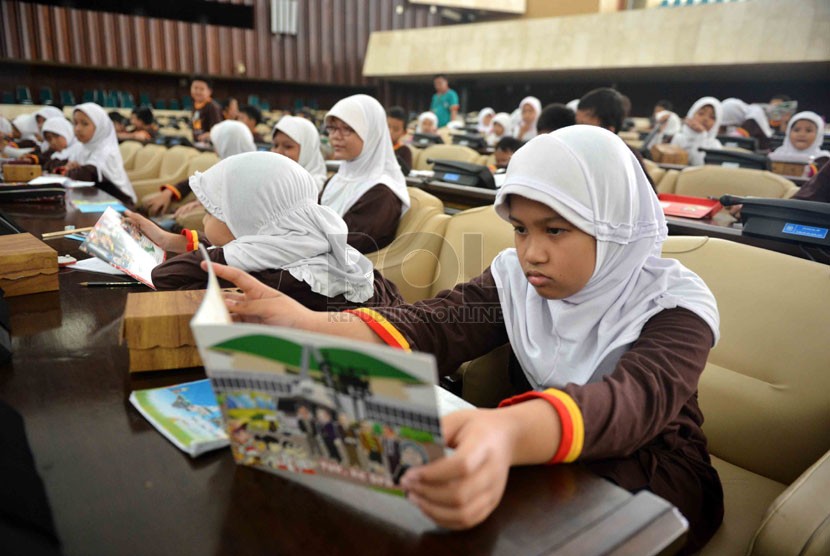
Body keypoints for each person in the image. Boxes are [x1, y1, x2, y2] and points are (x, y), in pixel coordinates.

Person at [206, 126, 723, 553]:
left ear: (611, 226)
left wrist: (505, 431)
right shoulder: (517, 280)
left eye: (556, 230)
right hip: (534, 450)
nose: (532, 253)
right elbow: (433, 324)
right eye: (520, 229)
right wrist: (306, 321)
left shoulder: (675, 306)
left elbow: (631, 402)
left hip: (651, 478)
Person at [126, 151, 403, 310]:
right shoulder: (316, 246)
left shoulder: (266, 275)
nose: (204, 221)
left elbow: (164, 277)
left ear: (249, 220)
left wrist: (227, 254)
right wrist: (165, 239)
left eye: (214, 212)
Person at [320, 94, 410, 254]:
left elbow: (342, 247)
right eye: (332, 128)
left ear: (371, 133)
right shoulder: (337, 179)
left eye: (347, 129)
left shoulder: (381, 193)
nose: (335, 136)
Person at [143, 119, 255, 215]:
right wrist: (169, 193)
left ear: (227, 145)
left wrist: (202, 203)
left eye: (217, 145)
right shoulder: (227, 166)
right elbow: (200, 179)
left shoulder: (248, 175)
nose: (216, 153)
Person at [575, 88, 654, 186]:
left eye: (584, 124)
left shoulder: (627, 157)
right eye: (577, 124)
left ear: (609, 129)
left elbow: (647, 195)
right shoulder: (574, 152)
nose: (577, 130)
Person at [65, 102, 136, 204]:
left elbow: (86, 175)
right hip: (93, 199)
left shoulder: (106, 151)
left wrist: (74, 170)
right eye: (75, 123)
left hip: (119, 202)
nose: (78, 129)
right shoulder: (82, 147)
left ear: (100, 127)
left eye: (84, 124)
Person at [271, 115, 328, 192]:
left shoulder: (313, 189)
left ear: (307, 150)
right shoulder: (272, 181)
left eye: (288, 146)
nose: (278, 152)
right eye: (275, 145)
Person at [771, 111, 829, 175]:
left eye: (808, 131)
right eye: (796, 130)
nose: (801, 134)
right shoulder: (778, 154)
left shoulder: (824, 160)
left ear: (818, 135)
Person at [671, 97, 723, 166]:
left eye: (712, 117)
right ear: (692, 114)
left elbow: (699, 166)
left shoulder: (715, 145)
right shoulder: (679, 138)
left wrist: (701, 136)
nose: (705, 119)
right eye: (701, 113)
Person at [189, 75, 223, 143]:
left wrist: (208, 135)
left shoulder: (213, 107)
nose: (197, 92)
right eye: (195, 88)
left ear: (209, 92)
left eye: (201, 89)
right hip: (197, 142)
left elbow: (218, 131)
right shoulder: (195, 105)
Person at [386, 106, 412, 172]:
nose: (390, 132)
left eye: (396, 129)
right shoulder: (375, 146)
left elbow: (406, 174)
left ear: (404, 132)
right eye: (388, 126)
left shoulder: (405, 151)